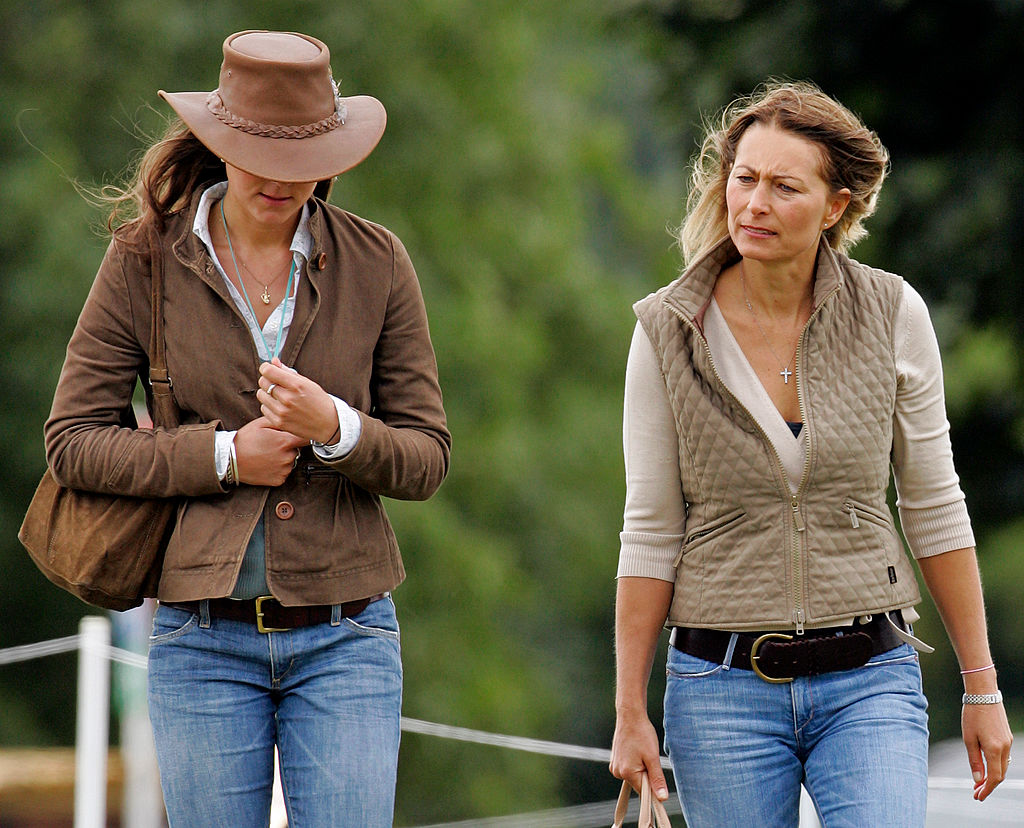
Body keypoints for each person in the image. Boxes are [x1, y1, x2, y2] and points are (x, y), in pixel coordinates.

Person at [44, 30, 450, 827]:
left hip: (349, 634)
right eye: (259, 155)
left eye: (302, 159)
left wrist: (334, 426)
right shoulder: (143, 260)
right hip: (200, 636)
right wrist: (226, 455)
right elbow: (73, 442)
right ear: (219, 143)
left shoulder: (379, 262)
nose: (280, 179)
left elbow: (427, 457)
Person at [609, 80, 1012, 827]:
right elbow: (651, 532)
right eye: (745, 179)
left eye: (784, 187)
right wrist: (630, 709)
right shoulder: (664, 330)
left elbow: (934, 506)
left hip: (871, 678)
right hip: (719, 691)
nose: (754, 204)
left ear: (835, 207)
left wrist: (981, 685)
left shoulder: (894, 313)